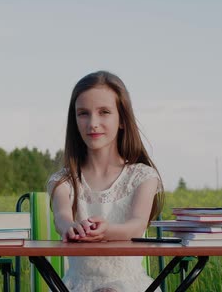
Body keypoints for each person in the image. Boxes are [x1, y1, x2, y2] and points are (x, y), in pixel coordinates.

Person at [47, 70, 165, 292]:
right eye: (83, 113)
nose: (93, 123)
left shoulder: (142, 177)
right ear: (75, 120)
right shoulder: (63, 180)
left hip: (130, 286)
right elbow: (61, 218)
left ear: (122, 120)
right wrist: (72, 228)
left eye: (104, 112)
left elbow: (137, 225)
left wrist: (106, 230)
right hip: (76, 286)